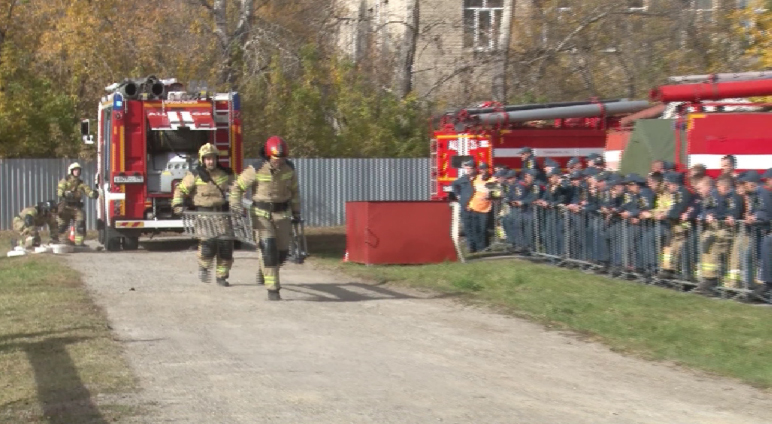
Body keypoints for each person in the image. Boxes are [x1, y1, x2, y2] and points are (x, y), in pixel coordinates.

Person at [229, 136, 301, 301]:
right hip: (261, 215)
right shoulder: (256, 169)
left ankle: (264, 271)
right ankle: (273, 289)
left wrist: (296, 212)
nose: (279, 162)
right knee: (268, 247)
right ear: (269, 155)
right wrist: (236, 207)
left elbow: (295, 192)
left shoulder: (289, 170)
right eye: (276, 158)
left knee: (282, 253)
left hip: (282, 215)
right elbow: (237, 188)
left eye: (282, 158)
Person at [172, 143, 236, 287]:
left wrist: (237, 204)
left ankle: (222, 276)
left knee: (226, 247)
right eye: (207, 158)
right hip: (203, 216)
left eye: (213, 158)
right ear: (202, 159)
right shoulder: (194, 175)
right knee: (208, 245)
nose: (210, 161)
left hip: (222, 215)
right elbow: (180, 190)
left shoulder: (226, 173)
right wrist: (177, 204)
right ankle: (204, 267)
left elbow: (236, 190)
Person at [56, 162, 99, 246]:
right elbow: (59, 191)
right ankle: (60, 241)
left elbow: (87, 190)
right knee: (62, 226)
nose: (77, 172)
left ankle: (79, 243)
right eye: (75, 170)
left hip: (76, 207)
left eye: (79, 170)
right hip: (66, 206)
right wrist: (65, 193)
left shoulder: (80, 183)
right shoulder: (64, 181)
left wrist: (92, 194)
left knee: (80, 224)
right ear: (71, 171)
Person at [450, 159, 477, 251]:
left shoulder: (478, 178)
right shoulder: (463, 179)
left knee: (476, 226)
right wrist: (457, 194)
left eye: (470, 168)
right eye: (467, 168)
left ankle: (478, 246)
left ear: (474, 169)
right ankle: (470, 246)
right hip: (465, 206)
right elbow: (454, 184)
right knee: (467, 227)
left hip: (476, 206)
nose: (469, 170)